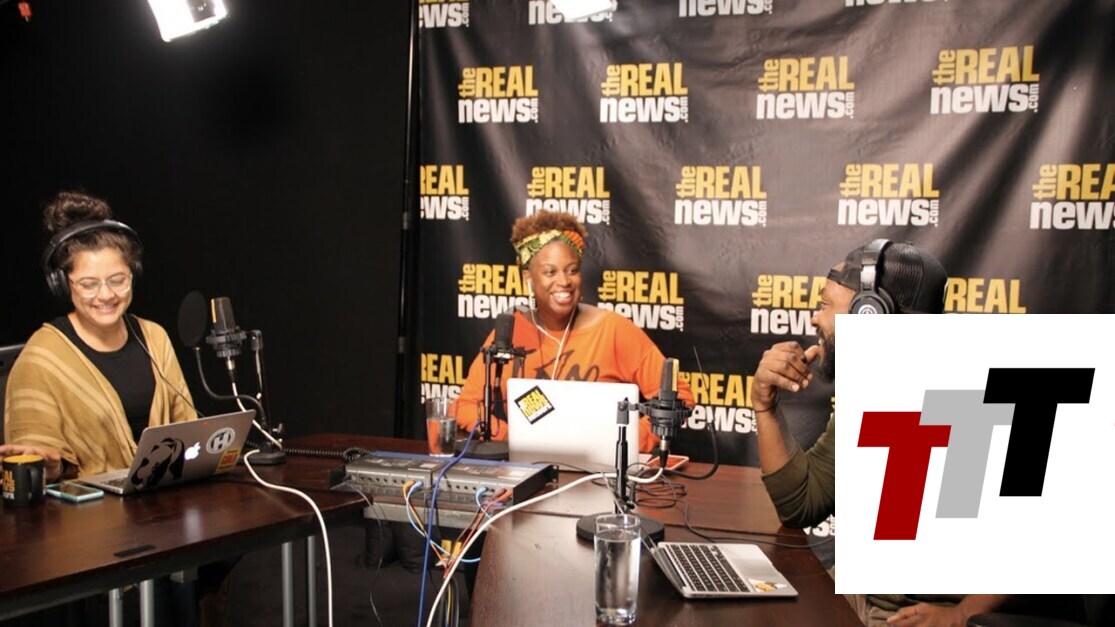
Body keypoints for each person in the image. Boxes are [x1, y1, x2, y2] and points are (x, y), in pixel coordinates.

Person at [752, 239, 1009, 626]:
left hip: (914, 617)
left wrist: (962, 615)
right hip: (861, 596)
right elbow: (801, 504)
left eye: (826, 305)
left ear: (869, 314)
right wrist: (765, 405)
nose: (816, 319)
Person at [454, 211, 693, 453]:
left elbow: (678, 397)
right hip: (528, 466)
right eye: (550, 272)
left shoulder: (613, 330)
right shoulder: (510, 333)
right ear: (528, 278)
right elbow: (465, 405)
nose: (564, 281)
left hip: (602, 468)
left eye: (572, 270)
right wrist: (513, 438)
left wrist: (625, 444)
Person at [1, 191, 196, 481]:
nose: (106, 295)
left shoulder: (155, 337)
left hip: (167, 498)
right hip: (90, 507)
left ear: (133, 275)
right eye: (89, 284)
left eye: (117, 280)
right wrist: (52, 467)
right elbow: (33, 466)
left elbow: (189, 431)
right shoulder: (40, 358)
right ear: (63, 284)